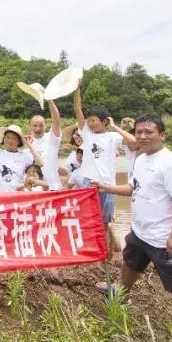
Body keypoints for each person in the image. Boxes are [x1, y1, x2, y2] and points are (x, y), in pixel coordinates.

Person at [97, 115, 172, 342]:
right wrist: (107, 187)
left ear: (162, 135)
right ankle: (121, 296)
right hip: (140, 232)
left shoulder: (171, 163)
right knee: (130, 264)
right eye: (139, 132)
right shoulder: (141, 159)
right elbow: (134, 188)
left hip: (163, 239)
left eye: (149, 132)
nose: (143, 136)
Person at [72, 83, 136, 233]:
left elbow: (133, 142)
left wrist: (115, 126)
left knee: (105, 222)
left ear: (105, 121)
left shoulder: (113, 136)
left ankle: (105, 248)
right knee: (88, 220)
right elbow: (77, 110)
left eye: (94, 120)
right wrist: (77, 89)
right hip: (89, 182)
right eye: (88, 120)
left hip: (108, 184)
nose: (90, 123)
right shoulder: (87, 133)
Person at [0, 124, 44, 192]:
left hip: (15, 196)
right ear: (3, 139)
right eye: (7, 137)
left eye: (13, 138)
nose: (10, 140)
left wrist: (29, 144)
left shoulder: (25, 156)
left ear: (19, 142)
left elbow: (40, 163)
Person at [29, 100, 63, 190]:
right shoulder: (27, 143)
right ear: (30, 126)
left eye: (41, 125)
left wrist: (50, 101)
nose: (38, 128)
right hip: (35, 190)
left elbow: (56, 119)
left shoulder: (52, 138)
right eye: (35, 125)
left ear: (45, 126)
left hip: (53, 187)